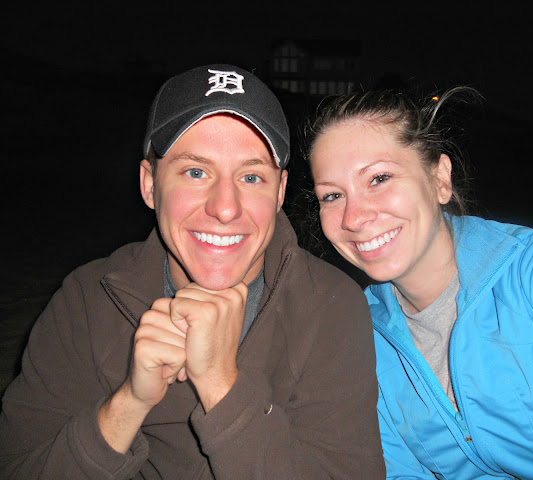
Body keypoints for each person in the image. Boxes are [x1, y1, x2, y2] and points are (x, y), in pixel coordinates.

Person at [0, 64, 385, 479]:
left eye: (251, 176)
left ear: (280, 192)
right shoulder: (88, 299)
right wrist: (128, 404)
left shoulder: (331, 306)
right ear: (150, 184)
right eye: (196, 172)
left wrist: (222, 386)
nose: (225, 208)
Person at [306, 87, 533, 479]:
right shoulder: (352, 335)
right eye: (332, 196)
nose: (354, 218)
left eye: (379, 178)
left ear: (439, 179)